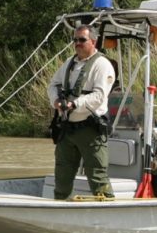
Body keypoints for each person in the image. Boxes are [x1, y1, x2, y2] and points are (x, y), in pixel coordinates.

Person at [47, 25, 116, 200]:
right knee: (62, 176)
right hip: (67, 129)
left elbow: (99, 95)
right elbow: (53, 84)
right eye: (75, 40)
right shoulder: (70, 63)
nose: (77, 43)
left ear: (93, 41)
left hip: (90, 130)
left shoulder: (102, 65)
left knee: (98, 178)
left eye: (82, 40)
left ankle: (108, 214)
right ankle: (62, 210)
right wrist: (55, 100)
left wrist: (74, 104)